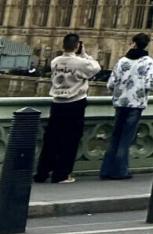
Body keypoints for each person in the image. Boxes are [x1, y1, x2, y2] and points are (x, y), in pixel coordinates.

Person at [33, 33, 102, 183]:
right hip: (74, 103)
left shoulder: (55, 61)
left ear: (62, 45)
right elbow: (96, 68)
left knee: (51, 139)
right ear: (77, 46)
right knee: (69, 141)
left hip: (57, 103)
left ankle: (42, 172)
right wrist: (84, 54)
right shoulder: (81, 63)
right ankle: (61, 174)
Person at [101, 33, 153, 180]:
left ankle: (106, 170)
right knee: (126, 139)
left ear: (133, 43)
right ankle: (120, 171)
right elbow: (151, 84)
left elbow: (111, 84)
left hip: (120, 102)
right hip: (136, 103)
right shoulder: (148, 62)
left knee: (115, 137)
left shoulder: (122, 61)